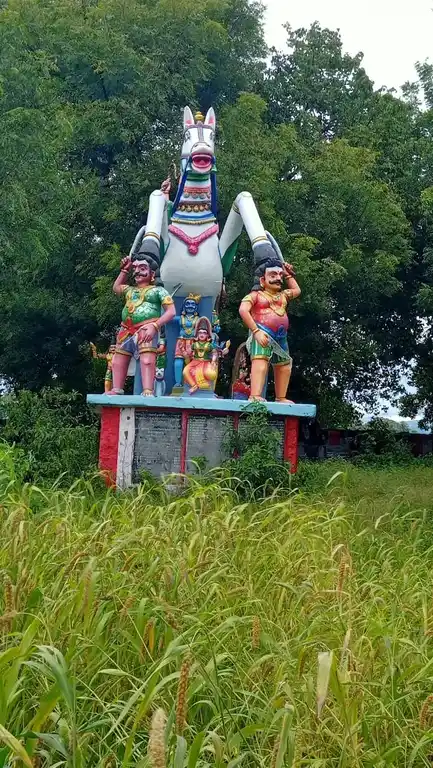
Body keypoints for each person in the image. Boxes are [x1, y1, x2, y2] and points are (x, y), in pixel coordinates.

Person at [108, 255, 175, 396]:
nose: (137, 271)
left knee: (147, 361)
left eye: (142, 268)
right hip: (126, 329)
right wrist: (124, 271)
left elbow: (171, 312)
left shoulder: (158, 291)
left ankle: (147, 390)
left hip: (146, 329)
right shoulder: (130, 290)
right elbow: (116, 288)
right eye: (135, 268)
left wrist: (155, 326)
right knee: (118, 360)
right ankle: (117, 389)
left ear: (152, 274)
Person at [239, 259, 301, 402]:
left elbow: (297, 291)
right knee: (260, 362)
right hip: (262, 331)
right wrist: (256, 331)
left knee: (284, 365)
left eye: (279, 275)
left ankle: (281, 397)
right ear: (262, 279)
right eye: (273, 275)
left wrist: (288, 275)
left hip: (281, 336)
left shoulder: (283, 295)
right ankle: (255, 395)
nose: (278, 278)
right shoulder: (255, 295)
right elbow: (243, 310)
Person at [182, 317, 219, 394]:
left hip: (205, 362)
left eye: (204, 333)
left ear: (207, 335)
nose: (202, 334)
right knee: (185, 371)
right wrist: (183, 350)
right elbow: (189, 353)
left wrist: (213, 361)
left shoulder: (209, 345)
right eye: (200, 333)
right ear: (197, 334)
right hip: (195, 361)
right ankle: (194, 385)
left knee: (212, 375)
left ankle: (203, 386)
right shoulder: (194, 344)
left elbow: (214, 353)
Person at [173, 294, 201, 390]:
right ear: (184, 306)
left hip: (194, 342)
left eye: (192, 304)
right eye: (187, 304)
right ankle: (177, 383)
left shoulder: (199, 319)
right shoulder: (179, 318)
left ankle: (192, 383)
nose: (190, 306)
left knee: (195, 362)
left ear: (196, 307)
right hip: (181, 341)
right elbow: (169, 317)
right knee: (178, 361)